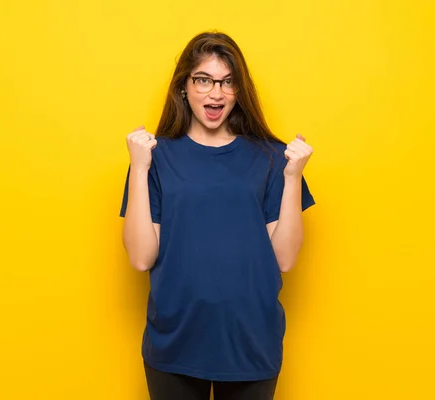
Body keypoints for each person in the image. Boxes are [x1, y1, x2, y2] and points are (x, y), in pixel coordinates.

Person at [120, 31, 315, 400]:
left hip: (251, 342)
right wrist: (139, 169)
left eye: (228, 82)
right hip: (175, 343)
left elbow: (286, 259)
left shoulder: (272, 158)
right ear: (184, 87)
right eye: (204, 80)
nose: (216, 93)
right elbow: (140, 256)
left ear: (239, 91)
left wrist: (293, 177)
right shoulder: (154, 158)